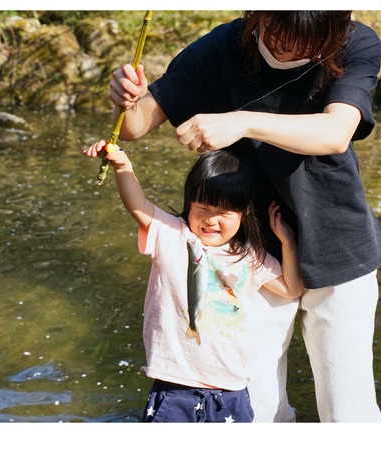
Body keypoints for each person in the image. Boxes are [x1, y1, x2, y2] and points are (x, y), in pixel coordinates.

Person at [104, 11, 381, 422]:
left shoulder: (356, 43)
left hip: (339, 246)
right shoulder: (223, 46)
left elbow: (334, 133)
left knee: (349, 410)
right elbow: (134, 126)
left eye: (304, 43)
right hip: (248, 259)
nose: (287, 48)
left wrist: (241, 123)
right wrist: (127, 99)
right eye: (277, 33)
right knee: (255, 407)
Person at [83, 141, 303, 422]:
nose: (211, 220)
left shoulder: (250, 257)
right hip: (176, 385)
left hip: (232, 389)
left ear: (243, 214)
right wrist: (123, 166)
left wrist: (288, 242)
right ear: (190, 203)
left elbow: (291, 288)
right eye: (203, 207)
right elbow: (137, 206)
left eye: (224, 212)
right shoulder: (174, 237)